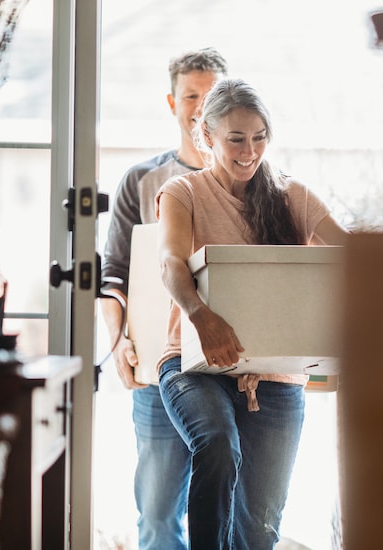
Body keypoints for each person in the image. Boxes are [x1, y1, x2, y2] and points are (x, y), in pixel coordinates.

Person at [154, 77, 349, 550]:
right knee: (218, 444)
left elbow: (351, 254)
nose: (249, 150)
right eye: (236, 139)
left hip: (276, 377)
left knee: (259, 531)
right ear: (208, 136)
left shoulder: (292, 196)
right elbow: (172, 264)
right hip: (194, 364)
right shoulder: (184, 192)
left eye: (259, 137)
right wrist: (202, 315)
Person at [99, 47, 228, 550]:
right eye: (191, 95)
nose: (200, 105)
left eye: (211, 94)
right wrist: (119, 342)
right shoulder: (140, 181)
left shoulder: (248, 180)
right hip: (157, 369)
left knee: (223, 512)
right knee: (156, 513)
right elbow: (112, 276)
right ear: (171, 101)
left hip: (229, 371)